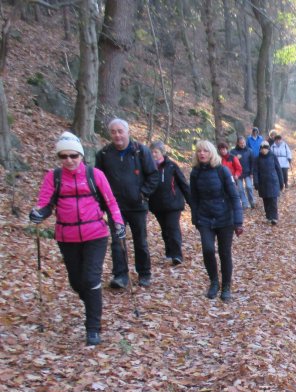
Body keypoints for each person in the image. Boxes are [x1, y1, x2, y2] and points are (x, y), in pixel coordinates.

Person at [29, 132, 125, 346]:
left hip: (96, 235)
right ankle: (94, 303)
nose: (69, 160)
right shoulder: (53, 177)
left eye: (73, 155)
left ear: (81, 155)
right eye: (63, 156)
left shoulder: (95, 175)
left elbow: (111, 202)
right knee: (76, 282)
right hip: (67, 236)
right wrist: (38, 213)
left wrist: (118, 223)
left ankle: (93, 328)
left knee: (91, 279)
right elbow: (44, 203)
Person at [95, 118, 159, 289]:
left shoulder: (140, 151)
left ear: (127, 132)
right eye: (114, 132)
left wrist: (143, 193)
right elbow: (98, 181)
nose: (117, 135)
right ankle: (120, 275)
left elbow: (153, 176)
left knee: (140, 241)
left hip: (137, 206)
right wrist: (102, 205)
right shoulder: (103, 154)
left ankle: (144, 273)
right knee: (117, 241)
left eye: (120, 131)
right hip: (115, 208)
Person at [189, 140, 244, 301]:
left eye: (205, 151)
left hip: (225, 218)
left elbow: (234, 196)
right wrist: (196, 219)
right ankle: (214, 282)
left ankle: (226, 286)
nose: (202, 154)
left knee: (224, 252)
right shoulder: (195, 173)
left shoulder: (222, 171)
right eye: (199, 151)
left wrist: (238, 221)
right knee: (207, 250)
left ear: (211, 153)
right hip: (205, 218)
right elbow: (194, 198)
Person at [149, 141, 190, 265]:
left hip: (173, 203)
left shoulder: (171, 166)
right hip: (157, 204)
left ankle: (177, 255)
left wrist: (191, 201)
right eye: (152, 152)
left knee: (173, 228)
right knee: (165, 229)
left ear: (162, 153)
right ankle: (169, 252)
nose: (154, 154)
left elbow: (183, 184)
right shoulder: (149, 167)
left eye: (156, 152)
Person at [253, 141, 284, 225]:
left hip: (273, 181)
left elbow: (278, 169)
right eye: (262, 148)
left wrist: (281, 182)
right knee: (266, 201)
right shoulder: (257, 158)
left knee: (273, 201)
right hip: (263, 183)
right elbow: (255, 171)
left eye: (265, 148)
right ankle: (268, 217)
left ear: (268, 149)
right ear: (260, 149)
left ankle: (274, 218)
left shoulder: (273, 156)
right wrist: (255, 182)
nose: (264, 150)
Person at [230, 135, 256, 209]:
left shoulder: (249, 150)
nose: (242, 144)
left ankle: (252, 202)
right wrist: (235, 158)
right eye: (241, 143)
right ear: (237, 143)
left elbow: (252, 162)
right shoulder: (233, 152)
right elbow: (230, 163)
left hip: (248, 172)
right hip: (238, 174)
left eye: (243, 142)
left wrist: (252, 172)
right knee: (240, 189)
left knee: (249, 187)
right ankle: (244, 203)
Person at [218, 141, 244, 206]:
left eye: (224, 149)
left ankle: (238, 204)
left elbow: (239, 168)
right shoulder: (218, 159)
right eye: (221, 150)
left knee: (234, 193)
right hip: (221, 180)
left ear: (226, 149)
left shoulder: (233, 158)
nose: (223, 151)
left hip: (232, 179)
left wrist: (236, 175)